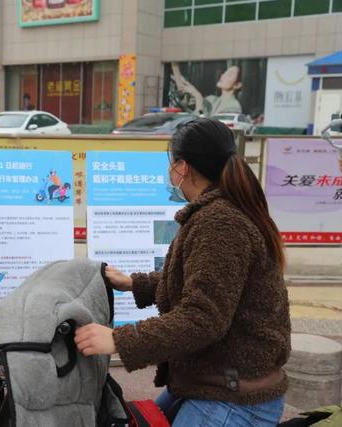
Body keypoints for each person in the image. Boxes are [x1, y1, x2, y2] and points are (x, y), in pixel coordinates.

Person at [75, 118, 290, 426]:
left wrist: (120, 340)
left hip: (233, 397)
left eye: (171, 162)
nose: (169, 171)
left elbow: (202, 318)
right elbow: (203, 282)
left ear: (183, 167)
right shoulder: (220, 211)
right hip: (214, 381)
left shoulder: (220, 223)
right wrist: (136, 283)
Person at [172, 63, 243, 117]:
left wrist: (198, 96)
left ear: (237, 85)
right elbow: (183, 90)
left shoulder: (233, 107)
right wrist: (175, 66)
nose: (223, 75)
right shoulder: (211, 99)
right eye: (225, 72)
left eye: (229, 74)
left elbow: (201, 124)